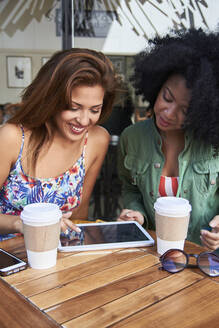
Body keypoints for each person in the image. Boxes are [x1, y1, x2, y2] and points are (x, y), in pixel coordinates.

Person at [0, 48, 119, 240]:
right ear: (51, 99)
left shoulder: (97, 139)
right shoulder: (12, 137)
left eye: (95, 110)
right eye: (74, 108)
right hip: (8, 258)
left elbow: (80, 216)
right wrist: (21, 223)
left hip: (59, 257)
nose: (84, 120)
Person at [117, 28, 219, 250]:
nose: (169, 113)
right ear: (156, 85)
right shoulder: (131, 138)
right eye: (167, 97)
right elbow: (130, 187)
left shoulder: (214, 146)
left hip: (206, 260)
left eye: (186, 110)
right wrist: (137, 214)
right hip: (153, 254)